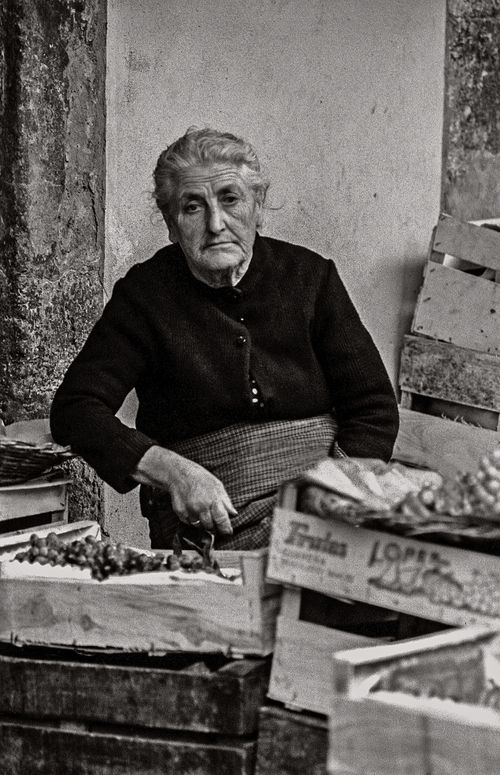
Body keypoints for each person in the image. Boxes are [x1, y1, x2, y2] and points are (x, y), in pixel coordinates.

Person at [50, 127, 399, 549]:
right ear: (171, 225)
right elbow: (76, 410)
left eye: (230, 199)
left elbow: (374, 408)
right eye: (193, 207)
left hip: (326, 503)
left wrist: (329, 496)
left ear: (259, 207)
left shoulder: (310, 278)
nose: (216, 224)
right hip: (215, 522)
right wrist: (173, 472)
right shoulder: (145, 297)